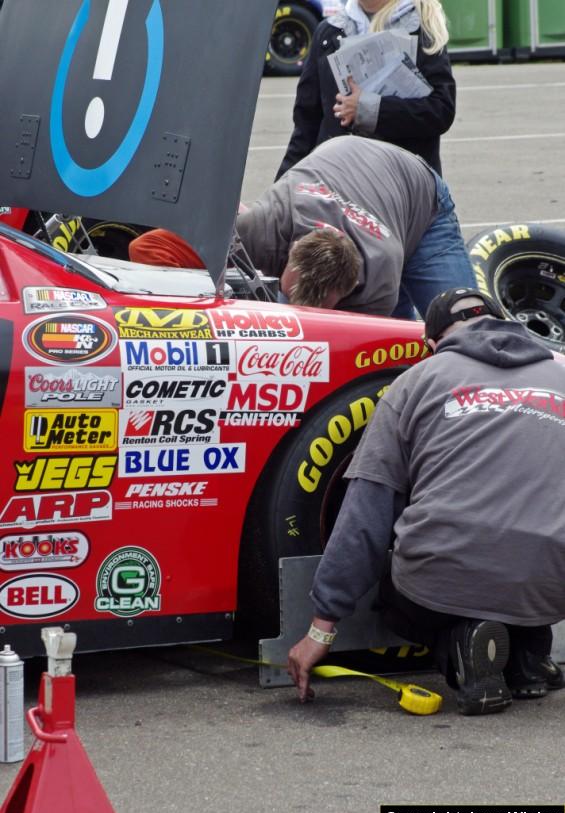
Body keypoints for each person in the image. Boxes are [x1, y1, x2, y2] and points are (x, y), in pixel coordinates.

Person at [287, 287, 565, 716]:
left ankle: (461, 646)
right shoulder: (561, 373)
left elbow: (365, 515)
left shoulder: (415, 381)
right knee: (528, 534)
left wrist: (320, 631)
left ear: (431, 345)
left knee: (402, 586)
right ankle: (529, 655)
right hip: (551, 580)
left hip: (444, 577)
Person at [129, 136, 476, 318]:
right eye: (292, 292)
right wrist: (202, 304)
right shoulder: (264, 227)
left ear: (350, 288)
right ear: (291, 252)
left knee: (462, 326)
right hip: (340, 167)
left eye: (323, 305)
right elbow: (146, 249)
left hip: (418, 196)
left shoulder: (378, 276)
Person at [276, 0, 455, 180]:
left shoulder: (422, 27)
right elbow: (306, 124)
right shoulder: (328, 31)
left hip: (401, 186)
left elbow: (441, 110)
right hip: (338, 186)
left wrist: (368, 109)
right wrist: (283, 187)